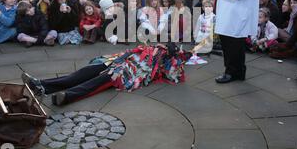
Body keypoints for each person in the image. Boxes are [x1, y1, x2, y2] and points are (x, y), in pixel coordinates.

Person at [21, 43, 189, 106]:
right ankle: (41, 85)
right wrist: (118, 60)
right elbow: (130, 51)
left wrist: (183, 57)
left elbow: (174, 76)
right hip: (116, 62)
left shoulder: (166, 65)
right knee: (83, 73)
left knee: (97, 82)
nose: (164, 50)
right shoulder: (151, 48)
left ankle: (66, 97)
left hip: (125, 75)